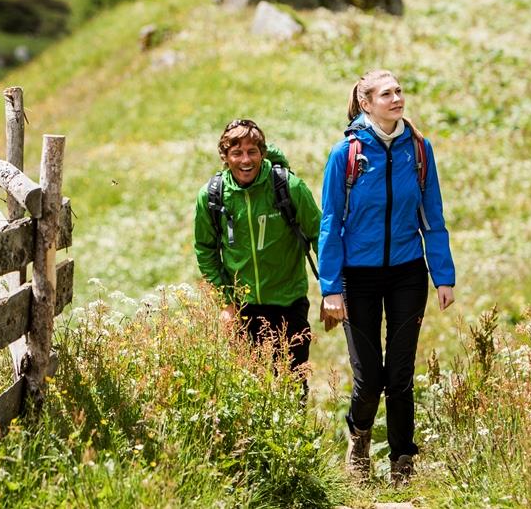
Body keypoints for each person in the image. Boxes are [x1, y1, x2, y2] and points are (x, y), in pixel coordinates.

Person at [317, 70, 456, 484]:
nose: (396, 98)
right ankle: (358, 440)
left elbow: (433, 218)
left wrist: (442, 276)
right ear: (366, 104)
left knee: (399, 373)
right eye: (386, 93)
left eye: (399, 91)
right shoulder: (346, 154)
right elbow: (330, 222)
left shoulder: (419, 150)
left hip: (407, 273)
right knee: (370, 377)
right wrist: (330, 289)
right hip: (357, 277)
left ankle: (402, 461)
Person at [193, 118, 321, 381]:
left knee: (293, 386)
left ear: (263, 153)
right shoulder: (212, 196)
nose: (245, 160)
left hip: (289, 303)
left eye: (252, 151)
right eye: (236, 153)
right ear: (224, 156)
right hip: (243, 310)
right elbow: (205, 250)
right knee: (250, 390)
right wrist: (226, 303)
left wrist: (334, 290)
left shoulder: (288, 187)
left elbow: (320, 235)